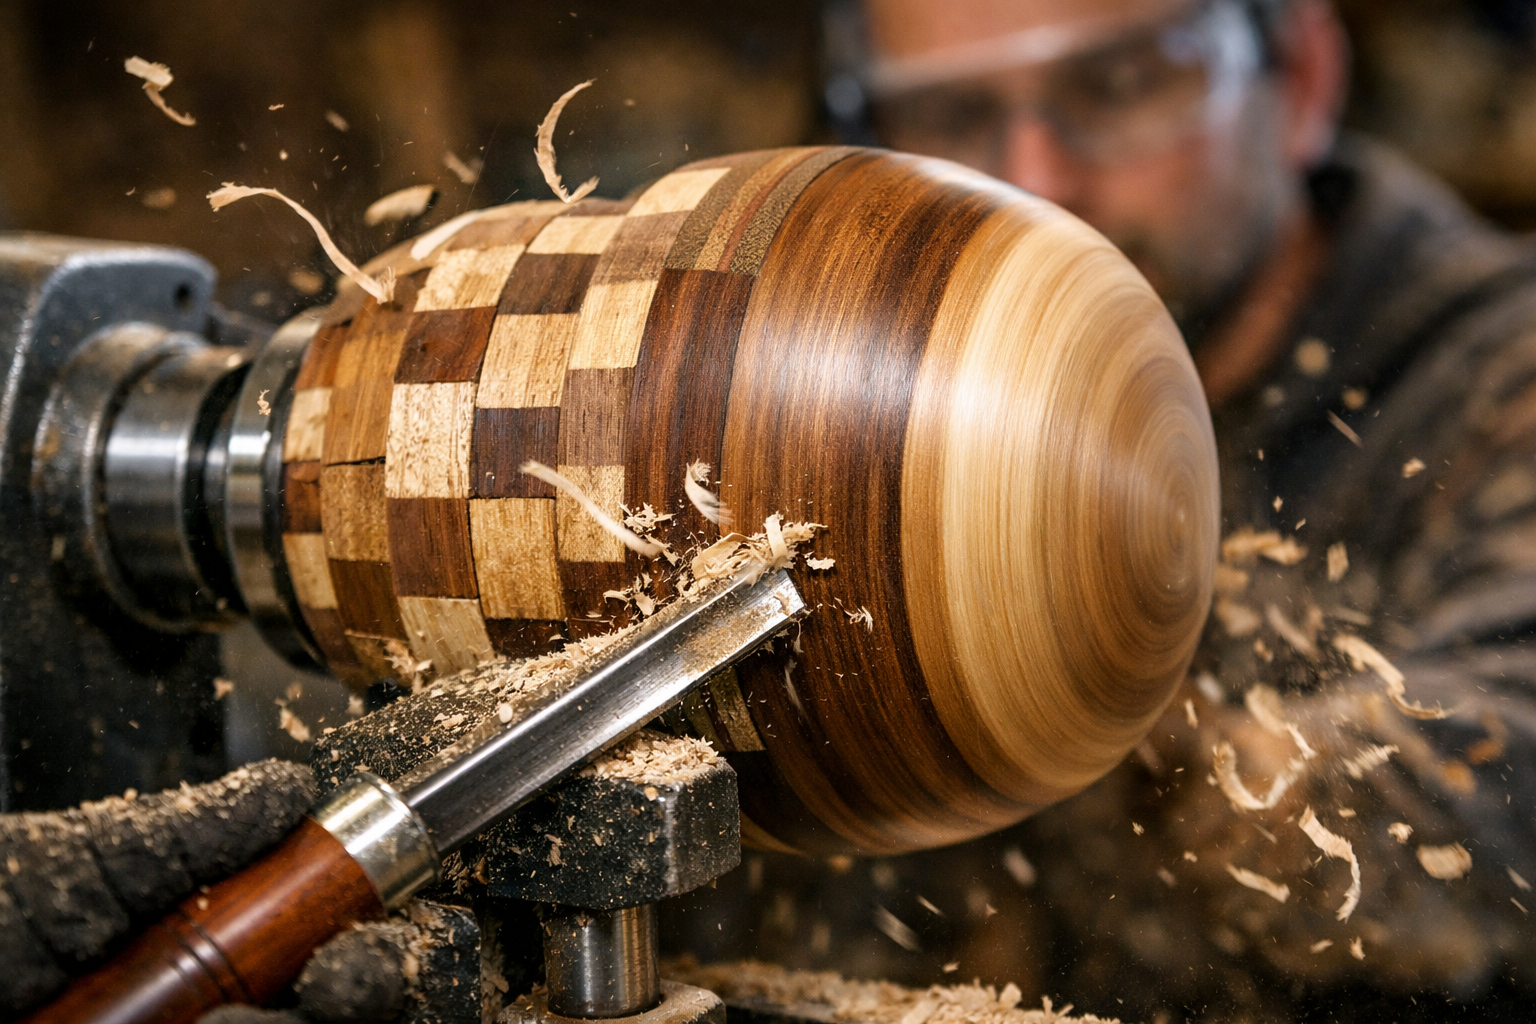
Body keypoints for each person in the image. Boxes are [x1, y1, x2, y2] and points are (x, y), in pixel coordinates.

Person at [668, 0, 1536, 1020]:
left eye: (1118, 86)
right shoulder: (847, 412)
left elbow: (1487, 823)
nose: (1037, 183)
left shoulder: (1497, 378)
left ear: (1298, 77)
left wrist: (1075, 652)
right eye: (949, 116)